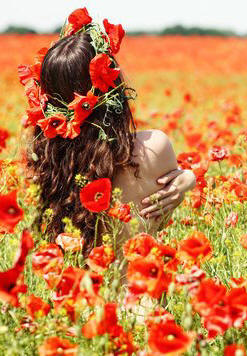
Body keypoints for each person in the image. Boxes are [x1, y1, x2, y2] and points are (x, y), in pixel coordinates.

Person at [21, 9, 196, 259]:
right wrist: (188, 178)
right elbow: (159, 219)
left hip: (79, 297)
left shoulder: (44, 167)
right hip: (142, 296)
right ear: (113, 85)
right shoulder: (154, 147)